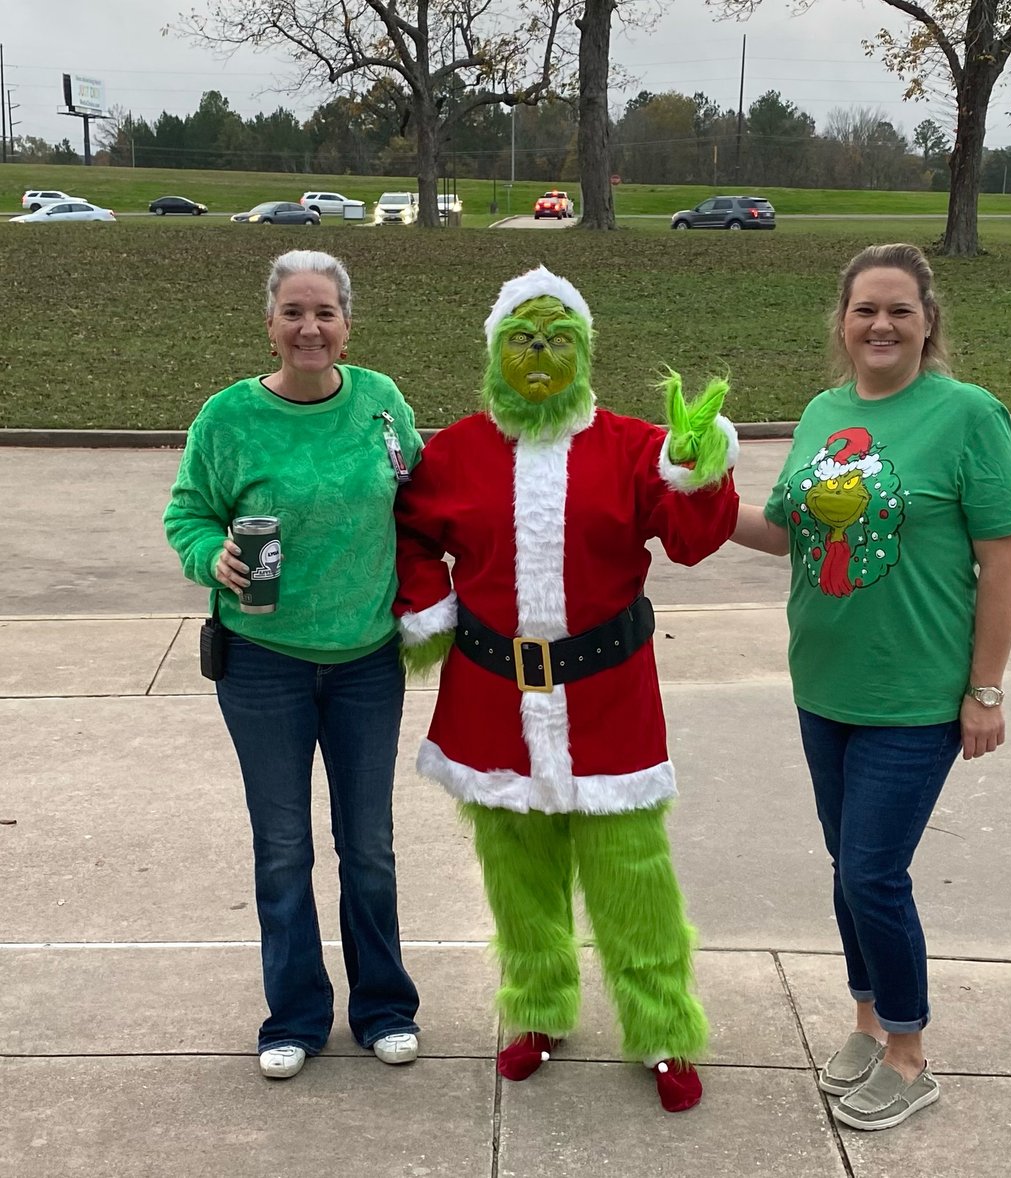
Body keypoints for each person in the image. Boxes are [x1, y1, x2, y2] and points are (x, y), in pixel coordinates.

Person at [391, 266, 739, 1111]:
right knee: (517, 875)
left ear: (585, 352)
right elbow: (407, 535)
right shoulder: (455, 451)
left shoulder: (629, 446)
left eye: (557, 340)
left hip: (609, 700)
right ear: (493, 352)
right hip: (490, 703)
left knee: (632, 875)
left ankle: (661, 1028)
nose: (539, 355)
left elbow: (692, 542)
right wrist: (428, 608)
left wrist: (699, 468)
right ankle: (538, 1011)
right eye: (522, 339)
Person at [732, 243, 1011, 1130]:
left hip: (916, 692)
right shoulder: (824, 411)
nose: (881, 325)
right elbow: (786, 533)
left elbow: (1005, 558)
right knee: (847, 866)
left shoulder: (968, 415)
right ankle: (866, 1019)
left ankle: (909, 1055)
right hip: (823, 685)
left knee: (873, 872)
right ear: (843, 320)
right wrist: (688, 509)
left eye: (900, 309)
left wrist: (986, 690)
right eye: (866, 309)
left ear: (927, 321)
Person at [163, 249, 423, 1080]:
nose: (309, 327)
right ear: (269, 323)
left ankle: (384, 1008)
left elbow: (421, 493)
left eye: (325, 312)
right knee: (282, 847)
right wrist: (214, 559)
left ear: (347, 324)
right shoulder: (227, 418)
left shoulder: (381, 402)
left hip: (366, 662)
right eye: (293, 313)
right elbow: (189, 514)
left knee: (369, 845)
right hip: (263, 663)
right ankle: (295, 1016)